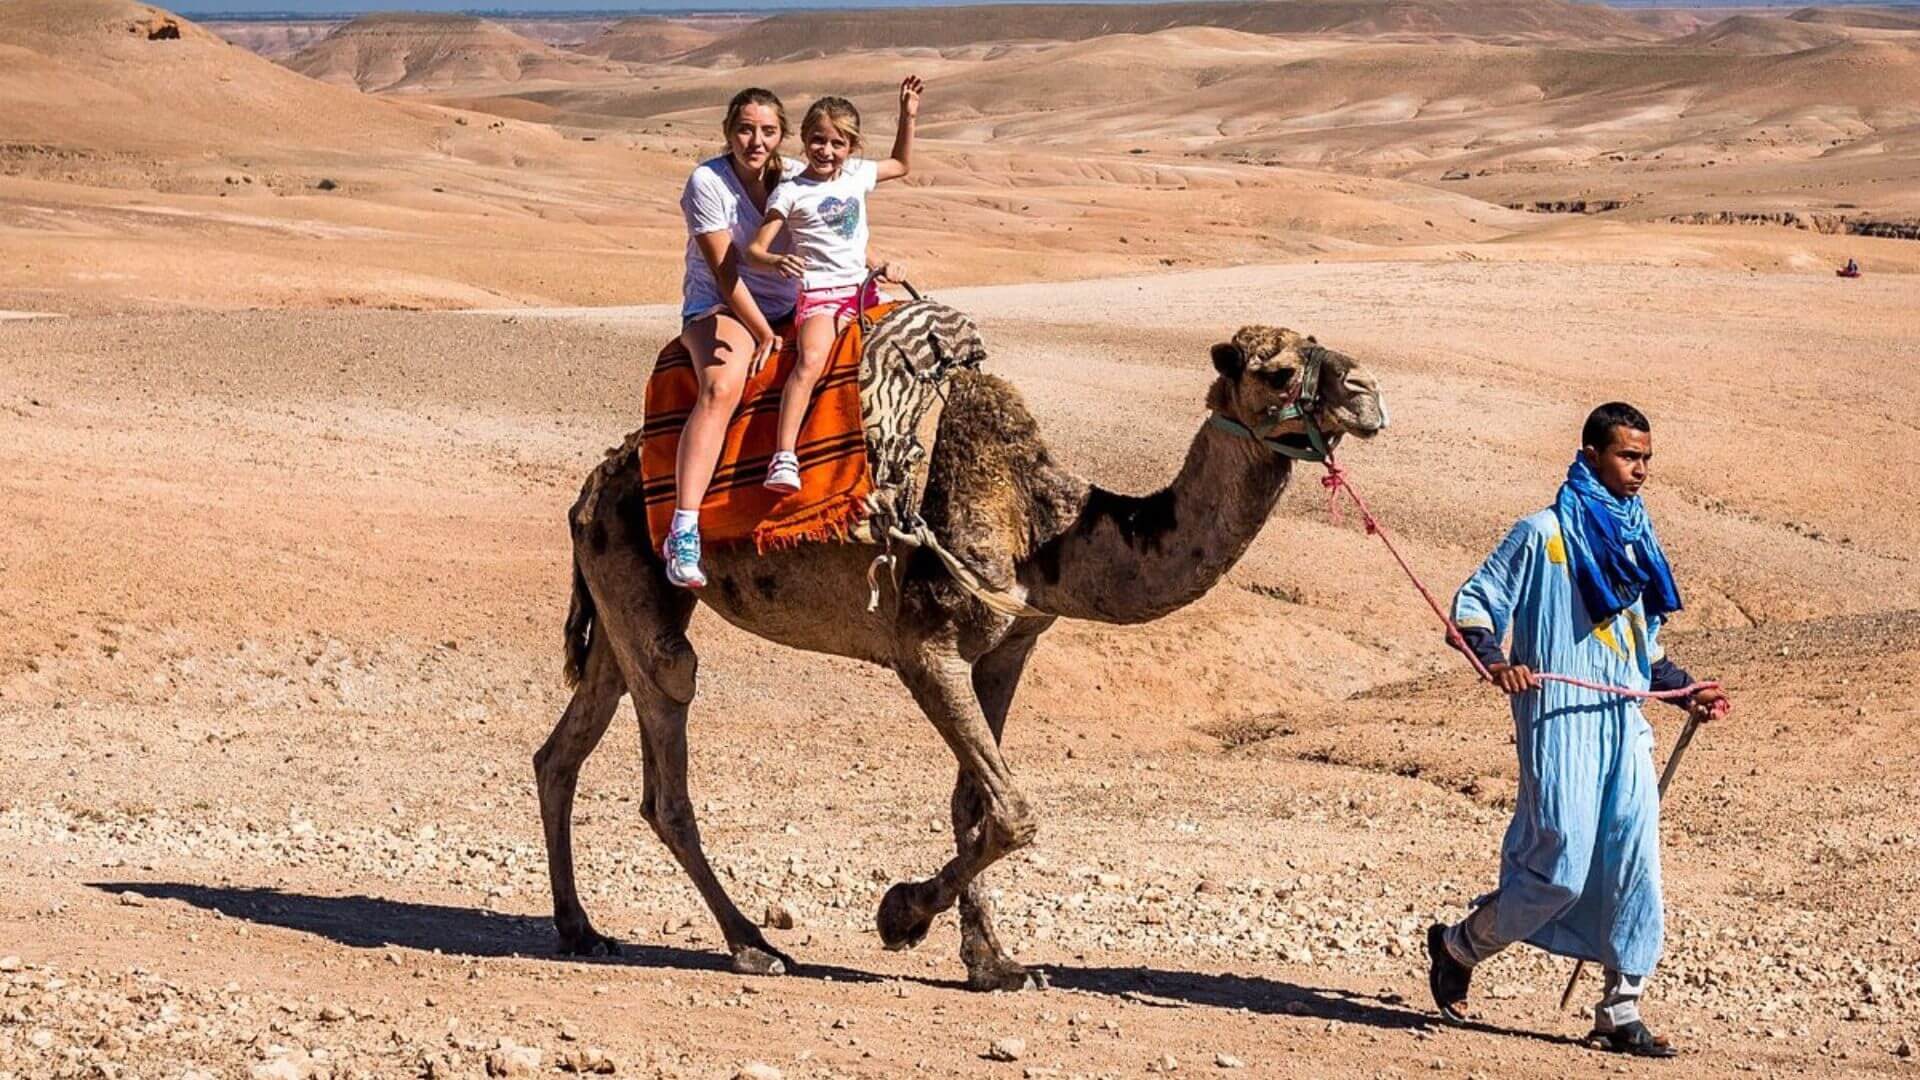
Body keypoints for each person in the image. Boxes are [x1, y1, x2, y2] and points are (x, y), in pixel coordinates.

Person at [1425, 402, 1729, 1057]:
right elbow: (1474, 607)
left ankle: (1620, 1011)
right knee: (1559, 868)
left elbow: (1643, 653)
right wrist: (1498, 662)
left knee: (1635, 864)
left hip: (1625, 722)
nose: (1641, 470)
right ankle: (1459, 945)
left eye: (1647, 458)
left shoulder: (1636, 540)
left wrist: (1686, 692)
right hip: (1558, 721)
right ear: (1591, 454)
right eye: (1628, 456)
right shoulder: (1542, 535)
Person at [745, 77, 922, 493]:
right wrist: (775, 260)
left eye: (838, 143)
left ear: (852, 147)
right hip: (821, 297)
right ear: (805, 140)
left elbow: (902, 164)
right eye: (818, 140)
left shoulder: (858, 174)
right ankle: (784, 457)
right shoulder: (790, 192)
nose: (827, 151)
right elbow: (754, 250)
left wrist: (907, 116)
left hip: (865, 290)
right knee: (810, 361)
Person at [662, 88, 803, 590]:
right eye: (746, 129)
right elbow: (726, 272)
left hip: (790, 303)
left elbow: (831, 230)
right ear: (728, 131)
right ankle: (684, 527)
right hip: (723, 307)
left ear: (781, 134)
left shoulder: (795, 178)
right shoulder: (708, 182)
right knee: (722, 386)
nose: (756, 140)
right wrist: (764, 331)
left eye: (767, 131)